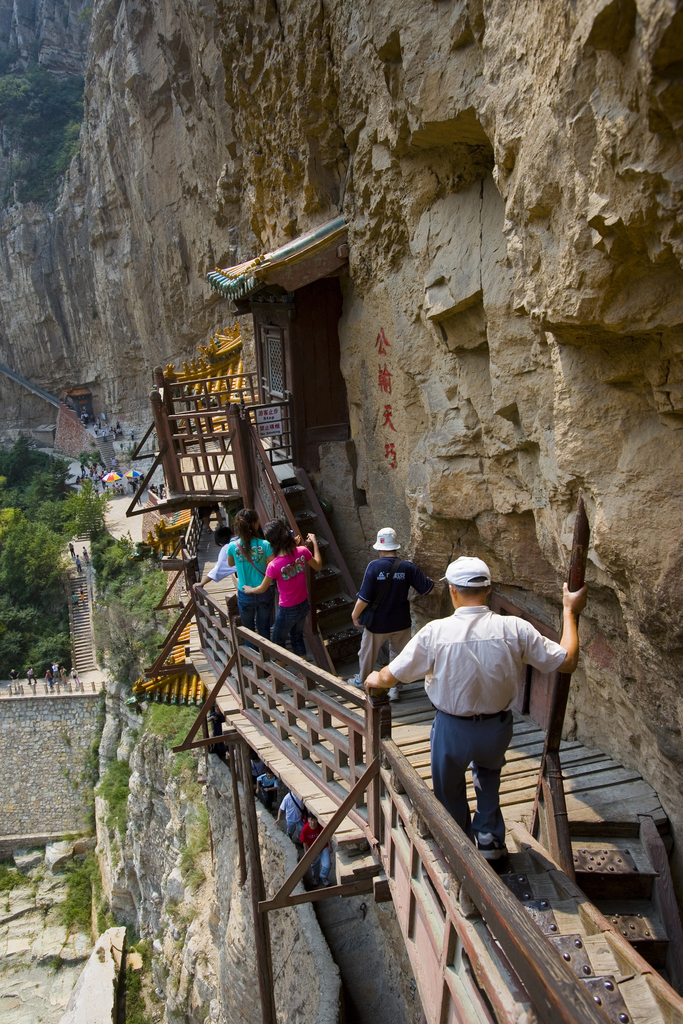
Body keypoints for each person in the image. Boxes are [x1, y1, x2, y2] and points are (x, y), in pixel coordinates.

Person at [366, 556, 587, 870]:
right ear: (488, 589)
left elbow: (391, 676)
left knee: (448, 788)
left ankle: (458, 849)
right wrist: (570, 610)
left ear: (453, 591)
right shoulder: (514, 628)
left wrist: (374, 679)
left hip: (451, 728)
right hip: (496, 729)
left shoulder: (436, 633)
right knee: (488, 776)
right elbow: (567, 660)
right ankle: (490, 842)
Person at [350, 527, 434, 701]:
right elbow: (428, 590)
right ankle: (394, 688)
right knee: (399, 654)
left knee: (367, 653)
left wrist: (355, 615)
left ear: (379, 547)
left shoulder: (373, 567)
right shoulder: (407, 567)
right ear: (395, 546)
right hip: (401, 621)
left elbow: (364, 598)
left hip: (378, 623)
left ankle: (363, 680)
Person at [242, 520, 322, 661]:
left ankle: (280, 672)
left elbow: (262, 589)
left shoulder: (273, 565)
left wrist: (250, 589)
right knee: (297, 637)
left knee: (278, 641)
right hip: (303, 605)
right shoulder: (302, 552)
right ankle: (303, 673)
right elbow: (318, 566)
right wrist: (314, 543)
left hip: (287, 610)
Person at [226, 509, 274, 645]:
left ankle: (254, 663)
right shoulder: (265, 545)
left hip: (244, 592)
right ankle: (267, 659)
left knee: (248, 631)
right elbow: (274, 564)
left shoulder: (233, 546)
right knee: (264, 629)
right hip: (263, 590)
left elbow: (230, 564)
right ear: (255, 524)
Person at [300, 812, 330, 887]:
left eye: (314, 820)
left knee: (327, 865)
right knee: (314, 866)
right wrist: (306, 852)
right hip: (313, 849)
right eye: (311, 820)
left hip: (323, 847)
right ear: (308, 820)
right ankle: (315, 878)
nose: (313, 822)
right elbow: (304, 841)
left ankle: (323, 876)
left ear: (317, 820)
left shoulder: (320, 826)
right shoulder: (305, 829)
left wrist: (330, 846)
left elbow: (326, 835)